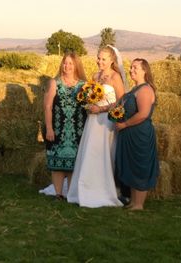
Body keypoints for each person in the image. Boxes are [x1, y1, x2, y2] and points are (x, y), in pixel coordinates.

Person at [67, 45, 126, 208]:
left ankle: (103, 189)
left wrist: (101, 108)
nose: (99, 61)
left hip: (106, 121)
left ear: (112, 60)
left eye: (103, 59)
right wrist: (88, 103)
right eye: (98, 58)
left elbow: (121, 101)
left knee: (103, 153)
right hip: (92, 120)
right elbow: (90, 95)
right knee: (89, 152)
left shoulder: (115, 77)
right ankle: (86, 186)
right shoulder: (95, 75)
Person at [115, 58, 160, 210]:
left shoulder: (145, 90)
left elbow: (143, 114)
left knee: (140, 166)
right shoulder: (134, 89)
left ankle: (139, 204)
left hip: (139, 133)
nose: (131, 70)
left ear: (144, 71)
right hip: (129, 133)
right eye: (131, 67)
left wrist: (125, 124)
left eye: (135, 68)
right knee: (132, 166)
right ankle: (133, 202)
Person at [44, 52, 87, 200]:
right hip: (58, 127)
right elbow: (48, 106)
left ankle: (70, 193)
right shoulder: (55, 83)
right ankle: (58, 194)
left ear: (76, 65)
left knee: (73, 162)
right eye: (65, 62)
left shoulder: (84, 85)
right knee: (57, 161)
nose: (67, 66)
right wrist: (49, 128)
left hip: (77, 128)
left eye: (70, 63)